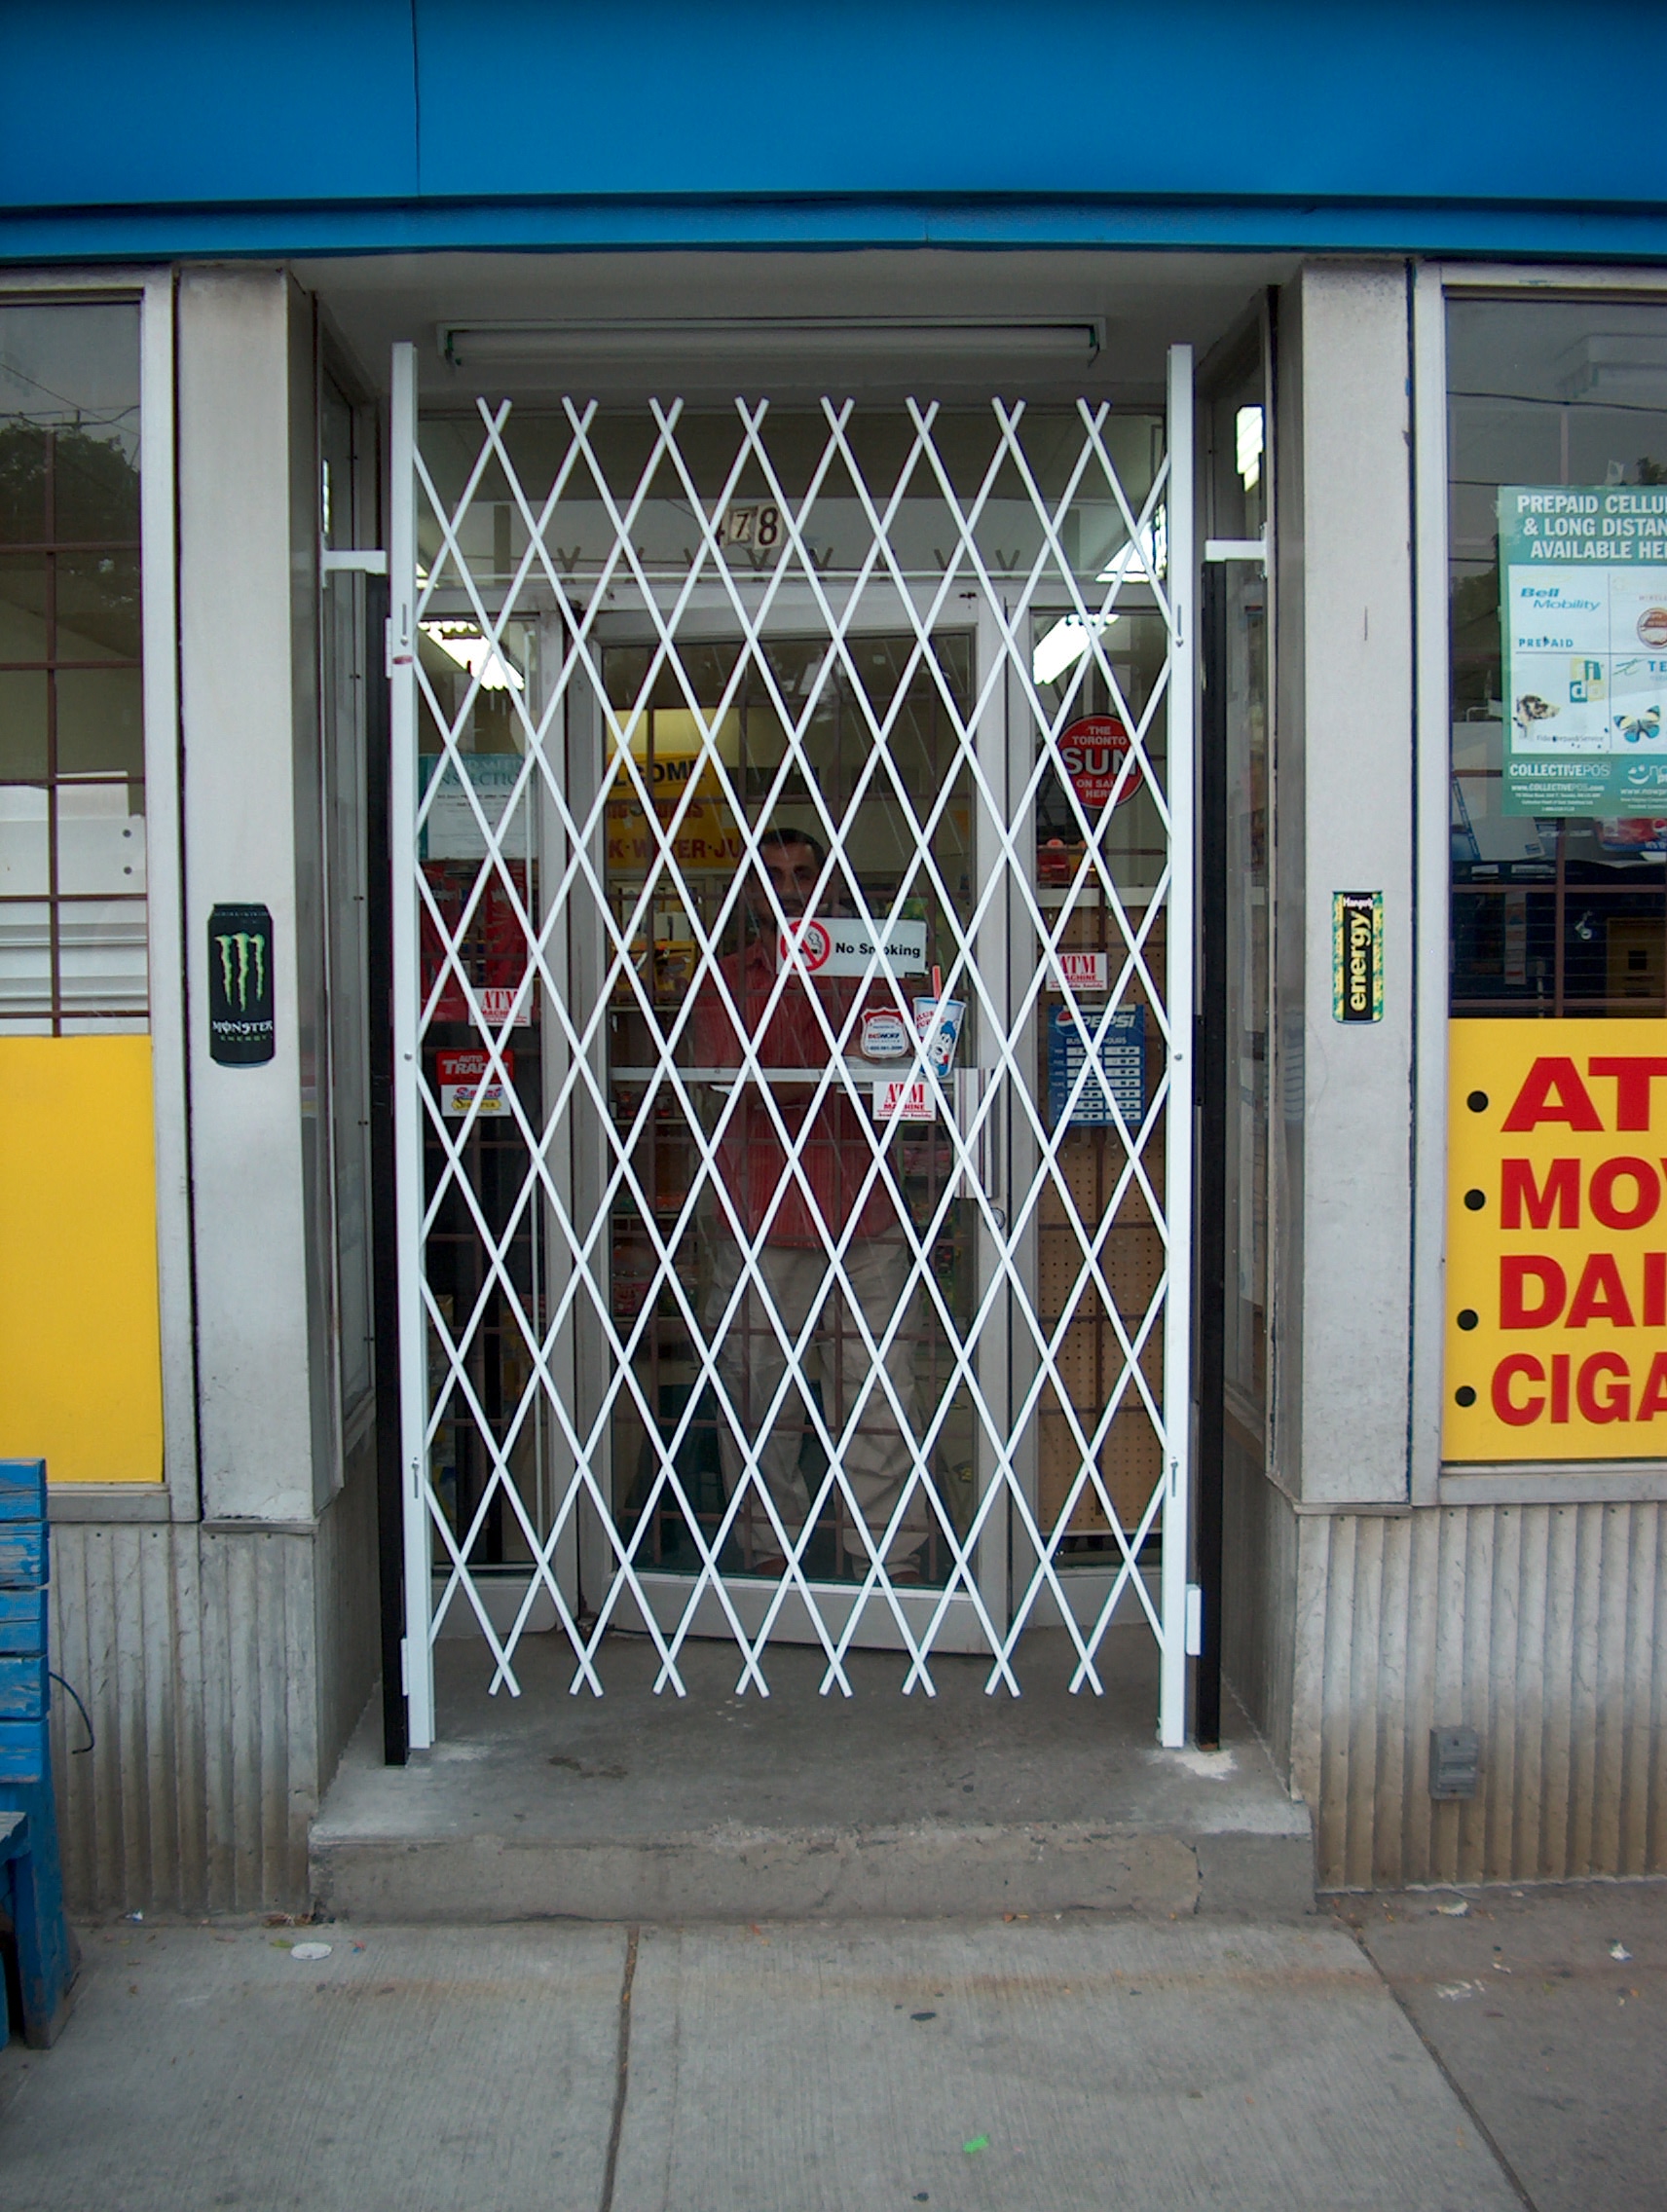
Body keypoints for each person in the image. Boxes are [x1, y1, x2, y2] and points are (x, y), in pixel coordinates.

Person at [690, 827, 927, 1580]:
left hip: (866, 1212)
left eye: (803, 872)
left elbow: (910, 1069)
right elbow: (738, 1086)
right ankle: (771, 1556)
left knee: (881, 1392)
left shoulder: (874, 970)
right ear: (753, 891)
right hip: (760, 1216)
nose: (790, 887)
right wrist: (848, 1061)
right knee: (762, 1398)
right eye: (775, 874)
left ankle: (883, 1558)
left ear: (826, 885)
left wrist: (830, 1069)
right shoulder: (727, 979)